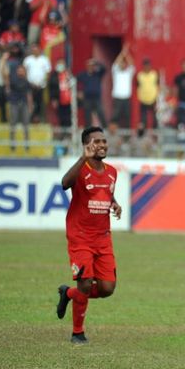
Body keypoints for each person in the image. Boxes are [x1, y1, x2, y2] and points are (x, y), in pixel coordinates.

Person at [56, 126, 122, 345]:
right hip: (81, 236)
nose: (102, 145)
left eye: (104, 141)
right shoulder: (80, 169)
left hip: (103, 237)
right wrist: (82, 159)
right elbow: (65, 184)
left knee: (107, 288)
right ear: (87, 145)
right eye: (96, 142)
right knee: (85, 285)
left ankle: (68, 294)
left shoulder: (112, 171)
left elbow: (106, 194)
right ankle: (77, 332)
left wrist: (114, 203)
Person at [77, 58, 107, 128]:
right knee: (87, 114)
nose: (91, 67)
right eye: (90, 66)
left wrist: (96, 62)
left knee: (100, 113)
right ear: (87, 67)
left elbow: (104, 69)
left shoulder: (98, 74)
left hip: (96, 98)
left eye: (92, 66)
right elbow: (75, 81)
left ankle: (105, 128)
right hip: (87, 98)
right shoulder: (83, 75)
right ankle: (88, 129)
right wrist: (79, 91)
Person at [111, 44, 135, 129]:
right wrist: (122, 53)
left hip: (126, 97)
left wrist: (126, 54)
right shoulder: (116, 71)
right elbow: (115, 63)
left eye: (124, 64)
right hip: (117, 96)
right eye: (122, 64)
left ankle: (126, 134)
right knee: (115, 116)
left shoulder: (128, 72)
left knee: (127, 116)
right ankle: (113, 132)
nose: (123, 65)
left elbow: (132, 64)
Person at [136, 58, 159, 128]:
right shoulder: (140, 75)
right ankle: (144, 135)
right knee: (143, 119)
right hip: (143, 99)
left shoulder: (154, 74)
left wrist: (157, 98)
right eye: (145, 66)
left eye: (148, 65)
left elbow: (157, 85)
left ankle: (155, 134)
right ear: (143, 66)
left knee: (155, 118)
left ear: (150, 66)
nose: (147, 67)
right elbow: (138, 86)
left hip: (153, 99)